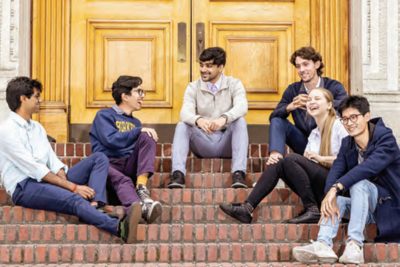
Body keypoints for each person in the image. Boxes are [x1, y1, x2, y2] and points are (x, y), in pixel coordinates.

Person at [0, 76, 142, 243]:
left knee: (99, 158)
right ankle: (119, 228)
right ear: (23, 98)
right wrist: (73, 188)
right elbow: (34, 169)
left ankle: (96, 206)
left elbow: (52, 160)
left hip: (46, 180)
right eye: (36, 96)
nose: (40, 100)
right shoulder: (6, 130)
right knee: (74, 199)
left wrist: (63, 178)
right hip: (24, 186)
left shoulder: (37, 127)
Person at [293, 96, 400, 264]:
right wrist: (330, 194)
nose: (349, 123)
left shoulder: (386, 140)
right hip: (364, 206)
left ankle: (354, 245)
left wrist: (336, 188)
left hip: (388, 205)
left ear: (366, 116)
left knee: (359, 183)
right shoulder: (347, 143)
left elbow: (367, 168)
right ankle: (323, 244)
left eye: (354, 117)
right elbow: (336, 170)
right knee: (339, 201)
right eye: (344, 119)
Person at [219, 88, 348, 224]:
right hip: (321, 188)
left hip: (339, 188)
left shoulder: (340, 126)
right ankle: (247, 208)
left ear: (329, 105)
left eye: (317, 99)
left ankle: (312, 209)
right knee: (280, 162)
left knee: (291, 158)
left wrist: (321, 158)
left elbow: (350, 161)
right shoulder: (314, 135)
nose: (312, 102)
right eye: (309, 99)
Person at [168, 47, 249, 189]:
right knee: (182, 125)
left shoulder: (234, 84)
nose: (203, 69)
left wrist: (224, 118)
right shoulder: (193, 86)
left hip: (227, 143)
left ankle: (238, 174)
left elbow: (242, 106)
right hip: (203, 142)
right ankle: (178, 175)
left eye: (209, 66)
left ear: (221, 67)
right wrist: (198, 120)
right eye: (202, 65)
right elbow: (184, 113)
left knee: (240, 121)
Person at [90, 75, 162, 224]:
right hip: (107, 165)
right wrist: (137, 131)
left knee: (148, 135)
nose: (142, 96)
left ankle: (141, 187)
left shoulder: (136, 122)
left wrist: (141, 131)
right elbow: (111, 140)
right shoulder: (104, 115)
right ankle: (139, 209)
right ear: (125, 96)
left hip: (128, 165)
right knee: (123, 181)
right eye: (138, 91)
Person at [268, 47, 348, 163]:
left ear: (316, 64)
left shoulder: (334, 86)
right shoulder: (292, 90)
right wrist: (290, 106)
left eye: (305, 64)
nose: (302, 69)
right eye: (298, 66)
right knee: (277, 120)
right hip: (305, 144)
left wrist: (315, 102)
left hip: (329, 145)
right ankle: (275, 160)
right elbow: (274, 117)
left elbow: (347, 106)